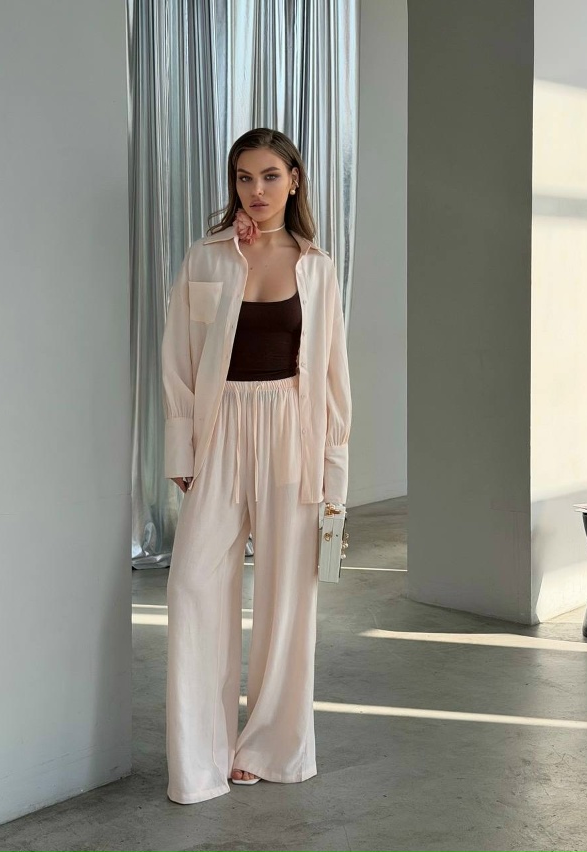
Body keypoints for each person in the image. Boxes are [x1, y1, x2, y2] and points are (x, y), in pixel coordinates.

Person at [161, 127, 352, 805]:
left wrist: (333, 474)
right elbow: (179, 358)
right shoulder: (209, 256)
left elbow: (333, 377)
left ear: (294, 180)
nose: (257, 191)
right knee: (191, 585)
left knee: (287, 597)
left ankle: (271, 747)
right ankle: (200, 757)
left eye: (270, 176)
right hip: (220, 429)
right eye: (244, 177)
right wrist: (182, 447)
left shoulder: (317, 267)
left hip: (291, 432)